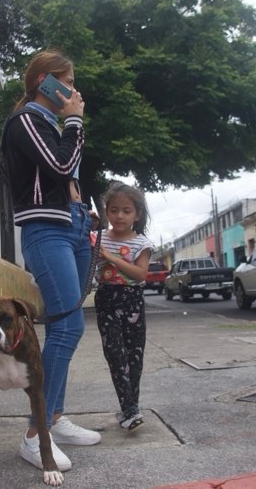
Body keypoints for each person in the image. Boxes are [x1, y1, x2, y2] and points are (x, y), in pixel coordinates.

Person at [0, 49, 101, 472]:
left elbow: (68, 174)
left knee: (69, 330)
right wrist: (75, 121)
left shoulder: (50, 123)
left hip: (74, 227)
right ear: (45, 81)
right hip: (46, 231)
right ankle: (34, 433)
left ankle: (54, 418)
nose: (74, 89)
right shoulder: (26, 121)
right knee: (67, 326)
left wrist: (84, 210)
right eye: (68, 80)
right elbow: (61, 164)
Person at [94, 181, 153, 431]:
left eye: (127, 211)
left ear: (137, 214)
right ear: (106, 211)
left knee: (134, 356)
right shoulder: (96, 238)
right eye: (114, 209)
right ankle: (129, 409)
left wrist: (110, 257)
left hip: (132, 301)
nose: (120, 216)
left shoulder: (142, 243)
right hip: (106, 299)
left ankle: (131, 406)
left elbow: (140, 275)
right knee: (115, 355)